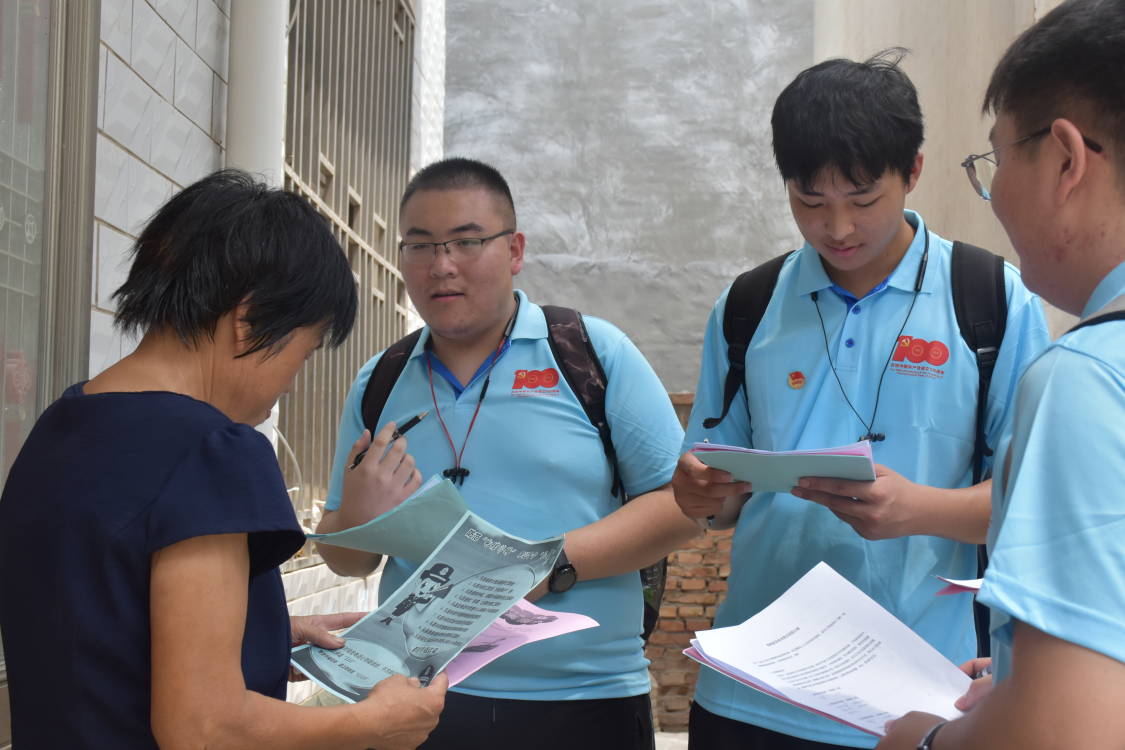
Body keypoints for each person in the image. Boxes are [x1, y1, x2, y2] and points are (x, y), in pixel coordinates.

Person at [672, 51, 1051, 749]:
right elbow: (719, 500)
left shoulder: (990, 302)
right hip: (752, 691)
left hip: (917, 700)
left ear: (912, 170)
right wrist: (702, 492)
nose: (837, 228)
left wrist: (921, 511)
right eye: (809, 203)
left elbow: (1035, 506)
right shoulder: (748, 306)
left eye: (863, 200)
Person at [0, 170, 446, 749]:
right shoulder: (215, 451)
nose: (291, 382)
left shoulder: (60, 425)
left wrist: (265, 636)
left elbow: (97, 624)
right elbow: (204, 728)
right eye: (304, 352)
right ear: (249, 322)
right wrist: (374, 721)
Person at [316, 157, 697, 750]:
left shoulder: (590, 355)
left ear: (515, 251)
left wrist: (550, 564)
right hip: (419, 701)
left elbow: (682, 504)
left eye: (467, 242)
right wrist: (361, 516)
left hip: (584, 698)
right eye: (420, 246)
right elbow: (347, 560)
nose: (441, 265)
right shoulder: (381, 381)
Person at [879, 1, 1125, 747]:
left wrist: (923, 740)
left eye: (994, 160)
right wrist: (1031, 675)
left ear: (1062, 159)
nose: (994, 197)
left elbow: (1065, 734)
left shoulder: (1083, 380)